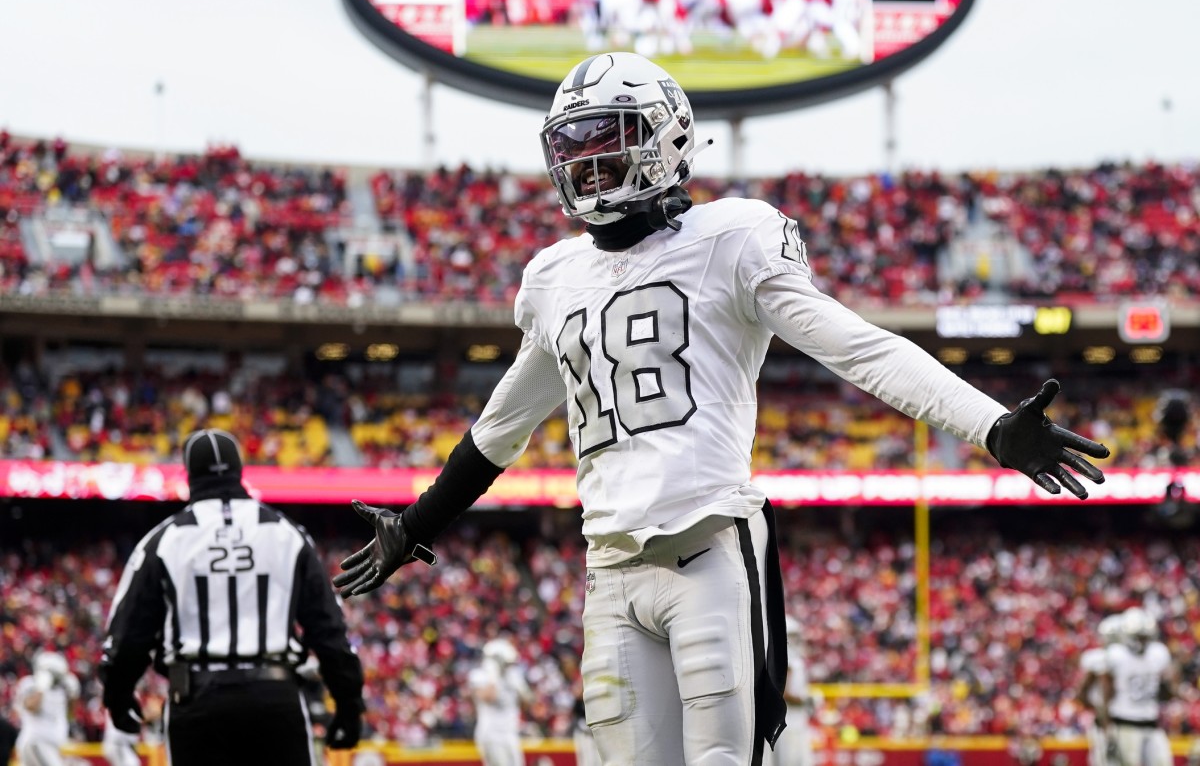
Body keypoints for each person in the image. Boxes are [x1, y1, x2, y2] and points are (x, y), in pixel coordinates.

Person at [334, 52, 1111, 765]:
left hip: (707, 548)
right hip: (608, 569)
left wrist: (992, 425)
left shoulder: (730, 237)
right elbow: (502, 424)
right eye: (573, 145)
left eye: (609, 138)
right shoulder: (554, 278)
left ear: (665, 137)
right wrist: (416, 523)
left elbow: (855, 345)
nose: (586, 161)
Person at [100, 428, 365, 766]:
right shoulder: (287, 534)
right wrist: (348, 704)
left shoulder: (164, 540)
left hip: (197, 701)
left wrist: (118, 695)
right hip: (274, 698)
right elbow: (329, 629)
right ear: (240, 470)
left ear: (188, 476)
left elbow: (129, 632)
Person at [1100, 608, 1177, 766]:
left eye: (1145, 637)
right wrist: (1107, 727)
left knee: (1163, 762)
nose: (1142, 642)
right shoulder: (1117, 655)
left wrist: (1167, 684)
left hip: (1152, 721)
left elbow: (1167, 691)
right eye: (1138, 637)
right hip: (1125, 722)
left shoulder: (1158, 653)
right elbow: (1107, 693)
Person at [468, 639, 532, 766]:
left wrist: (522, 690)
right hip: (491, 734)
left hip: (511, 733)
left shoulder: (512, 676)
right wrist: (493, 677)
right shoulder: (479, 675)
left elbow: (528, 704)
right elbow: (489, 697)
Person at [13, 652, 79, 766]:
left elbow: (70, 716)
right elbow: (31, 707)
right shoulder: (30, 684)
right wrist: (41, 688)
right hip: (35, 742)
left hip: (53, 745)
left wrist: (74, 696)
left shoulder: (61, 690)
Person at [765, 617, 815, 766]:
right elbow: (784, 693)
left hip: (791, 720)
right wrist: (806, 700)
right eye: (791, 636)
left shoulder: (786, 658)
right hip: (790, 721)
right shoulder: (788, 660)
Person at [1079, 614, 1123, 766]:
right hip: (1107, 721)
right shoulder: (1097, 659)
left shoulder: (1126, 659)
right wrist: (1100, 711)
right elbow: (1081, 693)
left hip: (1122, 719)